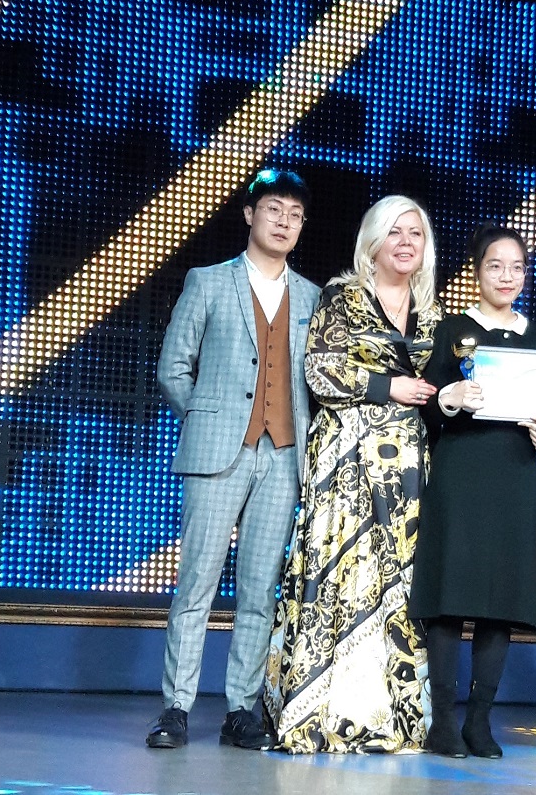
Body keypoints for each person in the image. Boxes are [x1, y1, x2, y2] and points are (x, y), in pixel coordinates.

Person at [146, 170, 321, 751]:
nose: (283, 222)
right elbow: (174, 368)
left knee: (259, 591)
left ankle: (240, 708)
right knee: (196, 583)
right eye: (273, 209)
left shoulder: (313, 298)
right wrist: (208, 420)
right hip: (219, 453)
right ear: (250, 214)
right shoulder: (208, 282)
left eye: (294, 215)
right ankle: (176, 706)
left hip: (283, 458)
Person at [264, 194, 442, 754]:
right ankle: (318, 712)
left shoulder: (436, 314)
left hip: (407, 471)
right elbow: (320, 371)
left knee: (399, 583)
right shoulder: (343, 296)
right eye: (395, 232)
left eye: (415, 233)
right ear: (374, 241)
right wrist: (389, 387)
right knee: (338, 574)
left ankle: (392, 718)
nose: (406, 242)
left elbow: (443, 388)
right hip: (344, 462)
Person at [409, 223, 536, 760]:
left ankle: (479, 722)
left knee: (500, 601)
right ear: (477, 272)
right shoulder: (453, 329)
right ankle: (442, 723)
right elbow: (428, 406)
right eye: (495, 266)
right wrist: (448, 398)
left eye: (516, 267)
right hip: (461, 473)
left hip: (515, 476)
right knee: (451, 597)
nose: (506, 276)